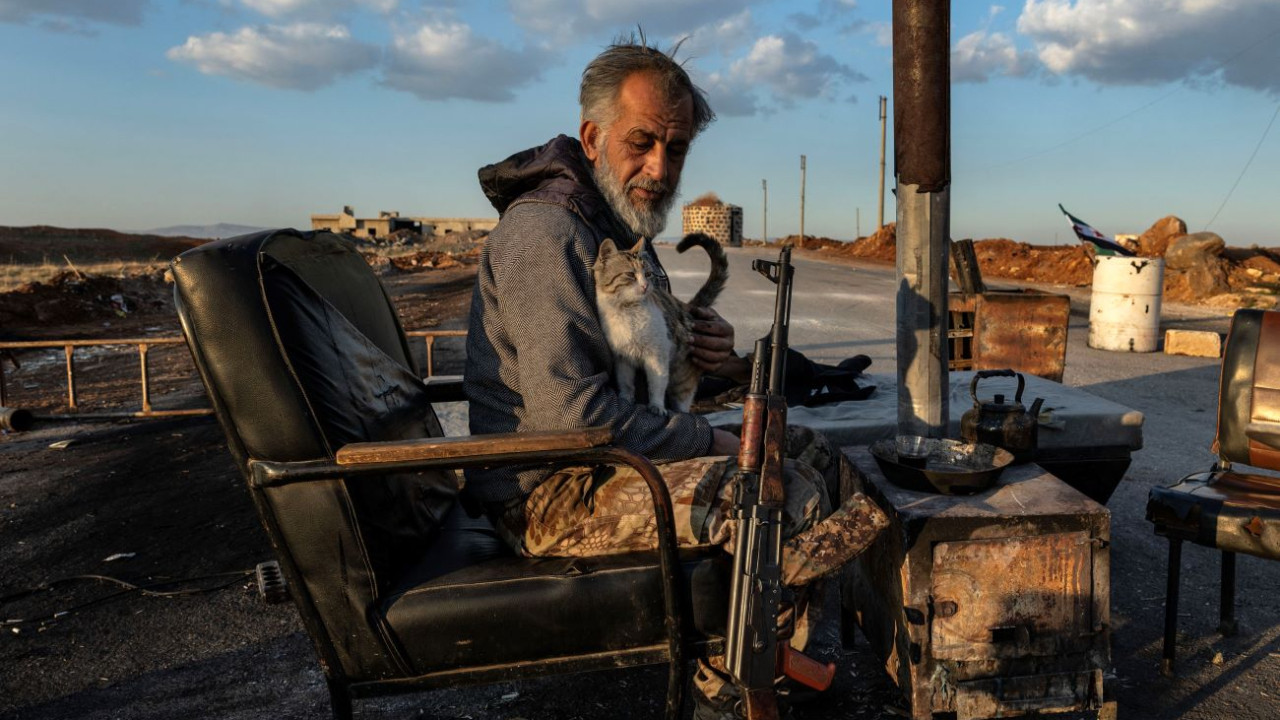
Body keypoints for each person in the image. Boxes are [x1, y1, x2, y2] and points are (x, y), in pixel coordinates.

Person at [463, 35, 884, 717]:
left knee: (809, 450)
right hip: (550, 490)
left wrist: (703, 353)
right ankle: (737, 685)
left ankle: (797, 651)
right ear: (593, 135)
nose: (660, 168)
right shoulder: (547, 233)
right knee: (772, 494)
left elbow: (639, 365)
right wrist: (708, 442)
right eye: (643, 142)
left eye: (677, 148)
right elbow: (571, 419)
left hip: (609, 457)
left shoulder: (612, 221)